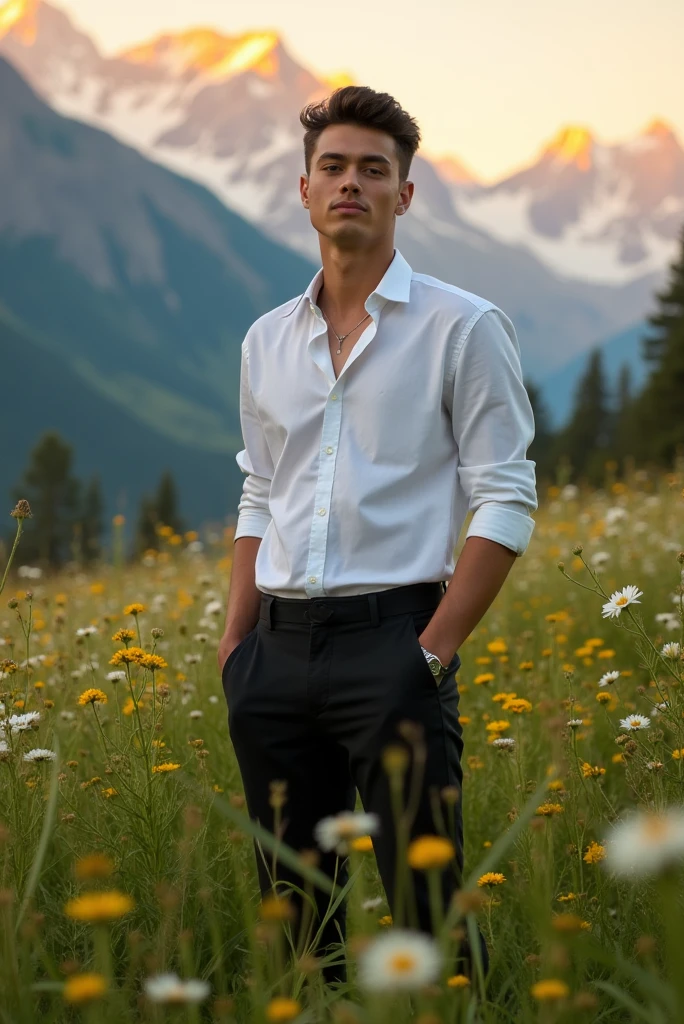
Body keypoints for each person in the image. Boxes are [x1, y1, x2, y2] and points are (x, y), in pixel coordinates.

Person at [217, 85, 538, 987]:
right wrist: (236, 642)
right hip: (272, 659)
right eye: (334, 166)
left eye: (373, 169)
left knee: (428, 915)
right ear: (305, 188)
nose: (350, 182)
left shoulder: (462, 326)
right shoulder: (265, 341)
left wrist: (430, 654)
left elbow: (507, 497)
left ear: (405, 193)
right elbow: (258, 488)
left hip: (396, 647)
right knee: (294, 917)